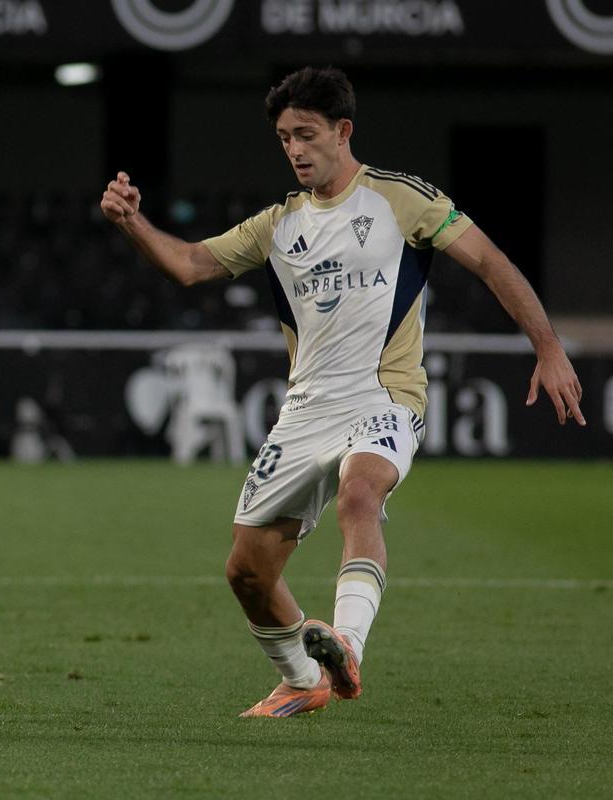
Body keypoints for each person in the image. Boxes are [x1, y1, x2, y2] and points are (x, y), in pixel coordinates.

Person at [100, 66, 585, 718]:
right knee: (247, 573)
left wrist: (548, 348)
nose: (295, 149)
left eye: (306, 134)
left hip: (384, 396)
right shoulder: (278, 225)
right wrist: (133, 223)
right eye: (283, 137)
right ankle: (305, 679)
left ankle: (347, 647)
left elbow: (491, 262)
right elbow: (190, 265)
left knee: (362, 491)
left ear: (342, 131)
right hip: (305, 411)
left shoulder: (399, 198)